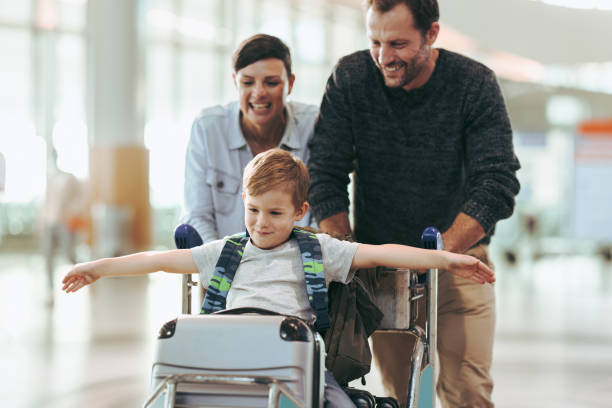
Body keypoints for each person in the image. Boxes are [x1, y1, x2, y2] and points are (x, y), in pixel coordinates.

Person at [63, 149, 495, 408]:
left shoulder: (318, 250)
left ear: (299, 212)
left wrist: (447, 260)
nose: (261, 223)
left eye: (274, 213)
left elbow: (381, 254)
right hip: (228, 361)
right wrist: (96, 268)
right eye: (252, 209)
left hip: (299, 362)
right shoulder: (226, 251)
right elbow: (158, 260)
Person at [306, 1, 521, 406]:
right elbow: (324, 172)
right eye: (375, 42)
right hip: (382, 272)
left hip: (460, 265)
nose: (384, 57)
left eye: (399, 44)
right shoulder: (351, 78)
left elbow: (496, 180)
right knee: (399, 396)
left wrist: (441, 254)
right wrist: (348, 252)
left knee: (468, 392)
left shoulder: (474, 84)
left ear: (432, 34)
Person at [182, 34, 318, 243]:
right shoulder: (207, 128)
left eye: (271, 83)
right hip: (224, 266)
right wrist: (226, 263)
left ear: (290, 84)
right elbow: (197, 216)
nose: (259, 93)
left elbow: (322, 213)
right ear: (236, 82)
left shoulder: (314, 126)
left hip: (294, 267)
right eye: (247, 82)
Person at [41, 149, 88, 306]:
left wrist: (73, 212)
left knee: (69, 255)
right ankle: (49, 292)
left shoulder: (70, 178)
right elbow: (46, 202)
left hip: (65, 223)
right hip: (49, 223)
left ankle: (88, 272)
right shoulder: (50, 179)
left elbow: (81, 197)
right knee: (48, 257)